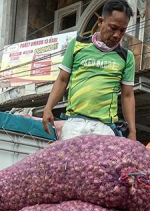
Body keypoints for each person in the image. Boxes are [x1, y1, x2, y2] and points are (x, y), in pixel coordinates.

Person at [42, 0, 136, 141]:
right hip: (74, 123)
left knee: (102, 164)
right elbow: (62, 79)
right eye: (113, 28)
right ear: (100, 21)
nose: (117, 35)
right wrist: (48, 107)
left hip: (105, 127)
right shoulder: (77, 45)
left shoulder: (126, 57)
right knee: (69, 163)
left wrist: (132, 132)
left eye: (122, 30)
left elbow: (127, 96)